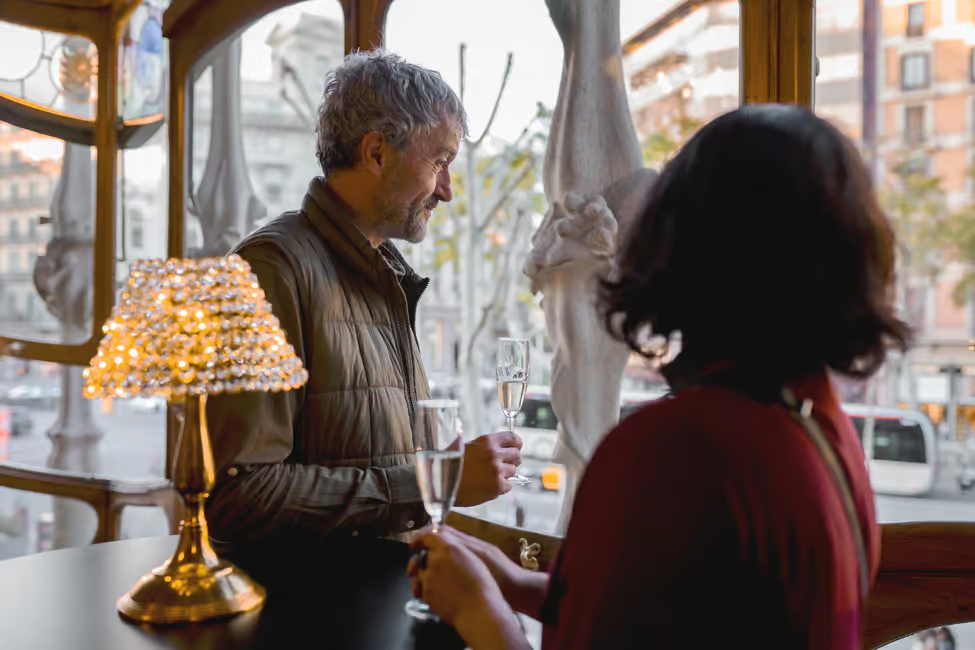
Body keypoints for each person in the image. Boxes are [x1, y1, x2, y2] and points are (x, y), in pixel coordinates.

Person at [409, 105, 911, 649]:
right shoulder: (827, 437)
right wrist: (514, 583)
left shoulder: (674, 450)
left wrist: (477, 607)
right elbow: (699, 610)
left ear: (680, 245)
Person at [203, 49, 522, 552]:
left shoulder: (386, 274)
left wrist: (436, 470)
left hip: (378, 603)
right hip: (313, 620)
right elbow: (239, 498)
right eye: (439, 161)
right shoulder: (269, 271)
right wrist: (433, 484)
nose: (448, 190)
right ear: (376, 153)